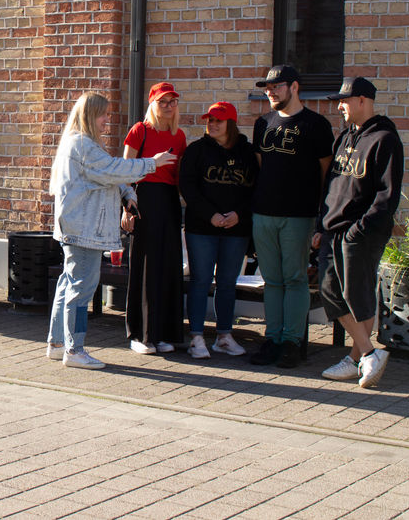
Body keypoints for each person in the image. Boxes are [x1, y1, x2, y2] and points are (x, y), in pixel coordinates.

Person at [48, 92, 175, 369]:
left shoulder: (83, 143)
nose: (108, 119)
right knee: (81, 290)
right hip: (83, 230)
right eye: (103, 114)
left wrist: (127, 193)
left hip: (77, 228)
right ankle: (74, 349)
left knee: (68, 284)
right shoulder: (83, 145)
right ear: (90, 115)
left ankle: (58, 344)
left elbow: (107, 175)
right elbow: (111, 169)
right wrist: (152, 163)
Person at [316, 77, 403, 387]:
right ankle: (367, 354)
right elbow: (332, 185)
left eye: (344, 100)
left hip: (361, 232)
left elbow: (387, 194)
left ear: (363, 100)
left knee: (357, 296)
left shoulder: (384, 139)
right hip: (333, 228)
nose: (340, 106)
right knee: (330, 292)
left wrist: (359, 229)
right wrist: (320, 224)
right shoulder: (345, 137)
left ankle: (358, 359)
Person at [250, 65, 334, 368]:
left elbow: (326, 172)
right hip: (263, 213)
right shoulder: (263, 123)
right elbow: (261, 166)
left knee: (295, 278)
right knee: (271, 280)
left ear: (294, 87)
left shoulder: (316, 124)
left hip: (299, 214)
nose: (270, 92)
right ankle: (272, 339)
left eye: (277, 87)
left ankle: (292, 342)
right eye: (267, 88)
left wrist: (321, 216)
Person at [178, 102, 258, 359]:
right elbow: (187, 187)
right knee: (200, 281)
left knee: (227, 283)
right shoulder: (196, 150)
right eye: (210, 120)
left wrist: (239, 215)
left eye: (218, 121)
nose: (212, 125)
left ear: (230, 124)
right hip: (202, 228)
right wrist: (210, 215)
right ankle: (197, 338)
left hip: (236, 229)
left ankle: (224, 336)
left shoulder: (248, 152)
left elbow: (256, 189)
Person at [121, 82, 187, 355]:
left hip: (169, 202)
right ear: (153, 104)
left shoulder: (179, 136)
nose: (169, 106)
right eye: (163, 102)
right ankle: (140, 334)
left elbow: (179, 177)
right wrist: (126, 209)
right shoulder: (140, 130)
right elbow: (125, 172)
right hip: (143, 200)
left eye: (172, 101)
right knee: (145, 266)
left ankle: (163, 334)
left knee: (168, 266)